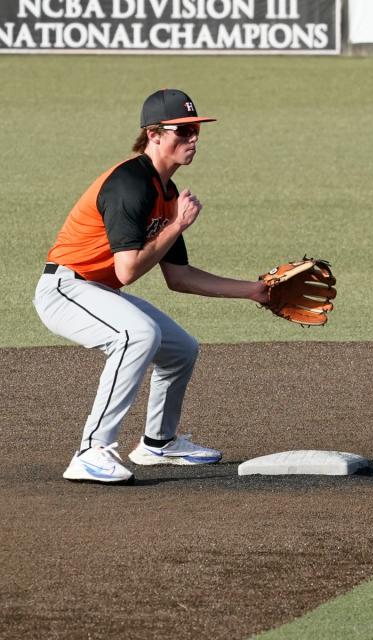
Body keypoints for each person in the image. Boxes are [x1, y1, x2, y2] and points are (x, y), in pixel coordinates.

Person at [34, 89, 271, 484]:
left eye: (196, 130)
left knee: (180, 348)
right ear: (154, 134)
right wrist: (177, 225)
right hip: (65, 290)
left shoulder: (167, 192)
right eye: (184, 130)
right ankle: (92, 450)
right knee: (138, 334)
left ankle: (158, 443)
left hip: (96, 292)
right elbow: (127, 271)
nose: (193, 138)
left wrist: (253, 290)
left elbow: (179, 277)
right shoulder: (130, 183)